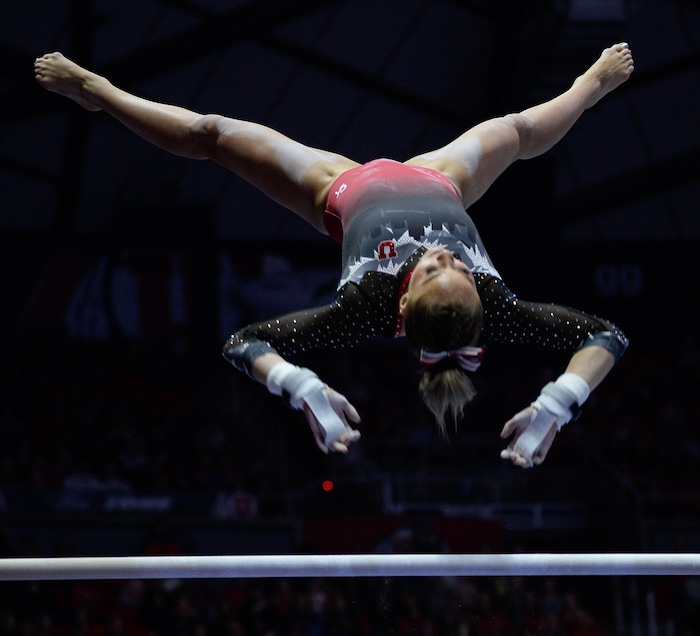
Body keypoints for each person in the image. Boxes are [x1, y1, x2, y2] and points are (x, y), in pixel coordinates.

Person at [34, 43, 634, 468]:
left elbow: (243, 343)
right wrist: (556, 406)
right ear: (481, 295)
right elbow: (606, 336)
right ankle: (588, 88)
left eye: (432, 268)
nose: (444, 254)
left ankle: (101, 92)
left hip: (338, 189)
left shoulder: (366, 305)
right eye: (459, 267)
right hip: (441, 180)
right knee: (519, 130)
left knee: (213, 135)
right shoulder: (497, 305)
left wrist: (302, 388)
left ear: (401, 297)